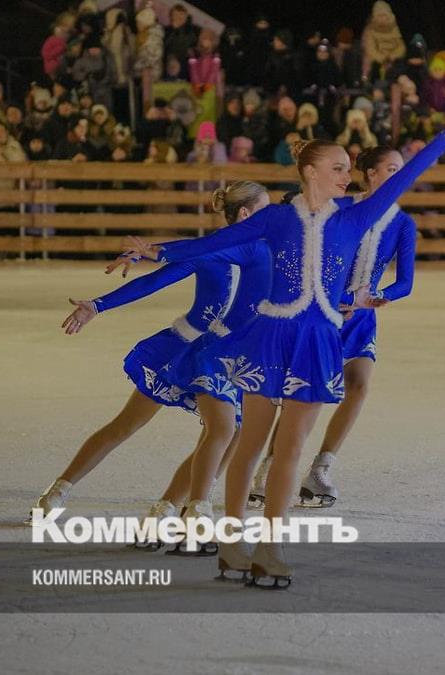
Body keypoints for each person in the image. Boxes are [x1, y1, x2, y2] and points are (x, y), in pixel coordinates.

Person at [119, 89, 445, 588]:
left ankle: (270, 547)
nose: (348, 175)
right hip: (270, 335)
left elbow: (407, 176)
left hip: (317, 339)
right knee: (249, 443)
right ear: (310, 172)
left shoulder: (356, 217)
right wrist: (157, 251)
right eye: (338, 168)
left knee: (289, 450)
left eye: (349, 169)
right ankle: (232, 542)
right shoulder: (276, 218)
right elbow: (215, 243)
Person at [28, 182, 272, 531]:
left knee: (229, 431)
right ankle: (58, 491)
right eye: (265, 209)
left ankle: (173, 506)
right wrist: (98, 305)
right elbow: (154, 282)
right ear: (246, 214)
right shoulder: (211, 252)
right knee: (128, 424)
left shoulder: (264, 248)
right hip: (185, 350)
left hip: (230, 356)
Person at [249, 145, 417, 509]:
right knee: (299, 393)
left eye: (401, 170)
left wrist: (376, 297)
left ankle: (321, 468)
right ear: (371, 173)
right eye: (391, 169)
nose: (399, 176)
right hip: (320, 312)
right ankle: (268, 469)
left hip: (361, 317)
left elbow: (406, 282)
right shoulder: (338, 208)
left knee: (358, 385)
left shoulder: (403, 223)